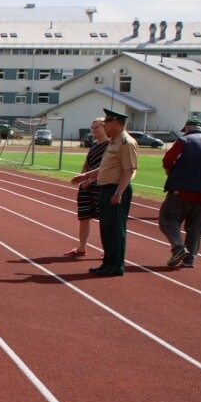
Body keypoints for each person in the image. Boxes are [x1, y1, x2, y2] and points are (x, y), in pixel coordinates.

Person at [72, 107, 137, 277]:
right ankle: (107, 263)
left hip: (115, 189)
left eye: (106, 123)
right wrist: (86, 175)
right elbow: (105, 167)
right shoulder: (114, 141)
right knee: (106, 229)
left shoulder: (126, 143)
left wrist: (119, 193)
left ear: (115, 123)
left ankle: (115, 266)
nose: (104, 126)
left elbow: (129, 170)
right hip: (105, 188)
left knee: (115, 230)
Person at [159, 118, 201, 269]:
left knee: (168, 220)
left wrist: (170, 174)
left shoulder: (184, 141)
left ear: (187, 129)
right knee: (196, 227)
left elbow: (168, 160)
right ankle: (190, 258)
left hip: (182, 189)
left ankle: (179, 248)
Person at [65, 118, 108, 258]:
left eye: (97, 127)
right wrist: (82, 176)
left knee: (105, 218)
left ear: (104, 127)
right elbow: (87, 163)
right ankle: (81, 248)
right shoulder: (94, 145)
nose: (94, 130)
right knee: (84, 217)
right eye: (92, 128)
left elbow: (105, 168)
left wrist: (89, 180)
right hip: (86, 186)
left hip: (99, 186)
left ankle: (107, 250)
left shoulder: (109, 146)